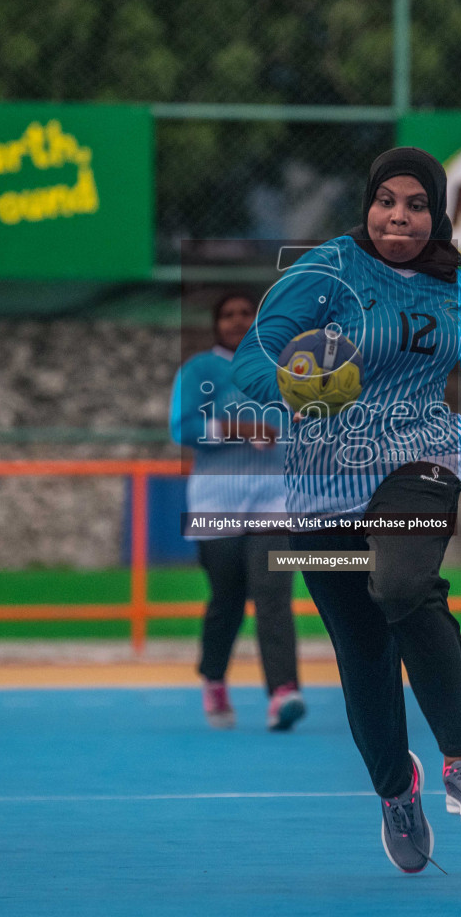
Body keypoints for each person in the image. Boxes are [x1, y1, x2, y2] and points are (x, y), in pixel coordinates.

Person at [233, 147, 461, 875]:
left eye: (417, 204)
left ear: (438, 214)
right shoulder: (323, 273)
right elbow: (248, 363)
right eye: (387, 201)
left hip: (418, 462)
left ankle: (460, 759)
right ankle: (398, 794)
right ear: (367, 205)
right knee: (363, 659)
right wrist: (303, 389)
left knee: (401, 585)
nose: (400, 215)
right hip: (322, 484)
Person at [169, 292, 305, 731]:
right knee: (226, 601)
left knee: (273, 595)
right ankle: (214, 679)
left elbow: (307, 420)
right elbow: (183, 428)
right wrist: (238, 428)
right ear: (216, 324)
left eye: (246, 313)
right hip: (217, 502)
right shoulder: (201, 370)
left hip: (274, 502)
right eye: (228, 315)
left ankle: (283, 692)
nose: (238, 321)